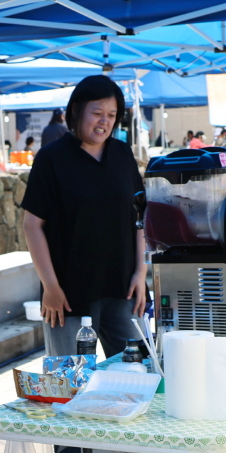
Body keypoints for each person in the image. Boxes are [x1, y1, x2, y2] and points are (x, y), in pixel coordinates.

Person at [22, 74, 147, 358]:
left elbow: (139, 216)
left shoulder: (122, 154)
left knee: (138, 371)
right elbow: (32, 225)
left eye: (112, 115)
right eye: (97, 113)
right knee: (70, 384)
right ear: (76, 110)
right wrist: (50, 286)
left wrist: (141, 271)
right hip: (68, 294)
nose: (105, 121)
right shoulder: (51, 159)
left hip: (124, 287)